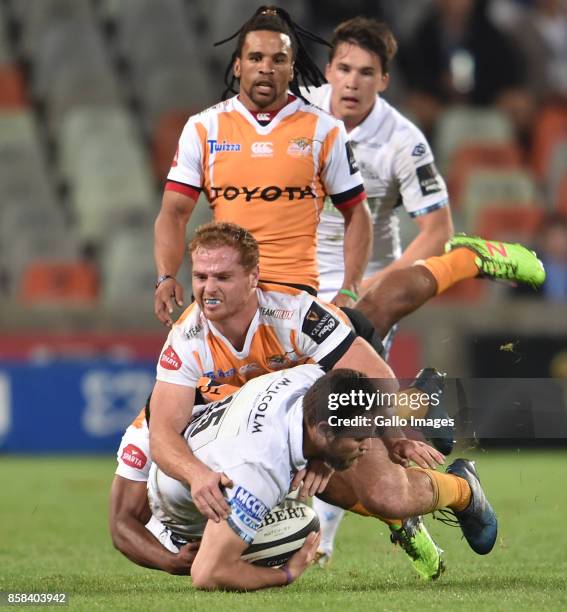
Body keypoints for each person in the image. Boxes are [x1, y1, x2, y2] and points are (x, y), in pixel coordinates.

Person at [143, 221, 542, 577]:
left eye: (222, 277)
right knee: (324, 483)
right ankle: (401, 503)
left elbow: (374, 375)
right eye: (200, 276)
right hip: (286, 412)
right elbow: (161, 435)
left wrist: (393, 436)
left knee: (379, 310)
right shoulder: (187, 338)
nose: (208, 288)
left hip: (339, 383)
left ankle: (456, 480)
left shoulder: (293, 313)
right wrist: (196, 476)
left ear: (251, 277)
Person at [147, 364, 497, 591]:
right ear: (323, 431)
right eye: (361, 439)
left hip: (225, 451)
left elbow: (349, 378)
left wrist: (326, 460)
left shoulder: (305, 380)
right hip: (197, 510)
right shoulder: (258, 475)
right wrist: (285, 574)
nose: (367, 446)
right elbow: (206, 574)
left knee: (378, 490)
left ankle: (463, 490)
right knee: (335, 510)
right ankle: (436, 497)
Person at [154, 6, 374, 328]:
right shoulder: (204, 128)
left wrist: (350, 290)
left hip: (295, 299)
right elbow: (173, 213)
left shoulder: (324, 130)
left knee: (366, 356)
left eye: (278, 59)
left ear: (292, 67)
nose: (266, 68)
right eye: (256, 58)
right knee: (173, 378)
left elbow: (357, 213)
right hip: (225, 296)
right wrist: (165, 276)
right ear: (238, 66)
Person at [303, 17, 454, 303]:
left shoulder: (404, 140)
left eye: (366, 73)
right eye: (344, 69)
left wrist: (372, 287)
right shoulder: (293, 112)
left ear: (384, 80)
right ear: (328, 71)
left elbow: (439, 231)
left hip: (366, 289)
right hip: (291, 281)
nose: (352, 83)